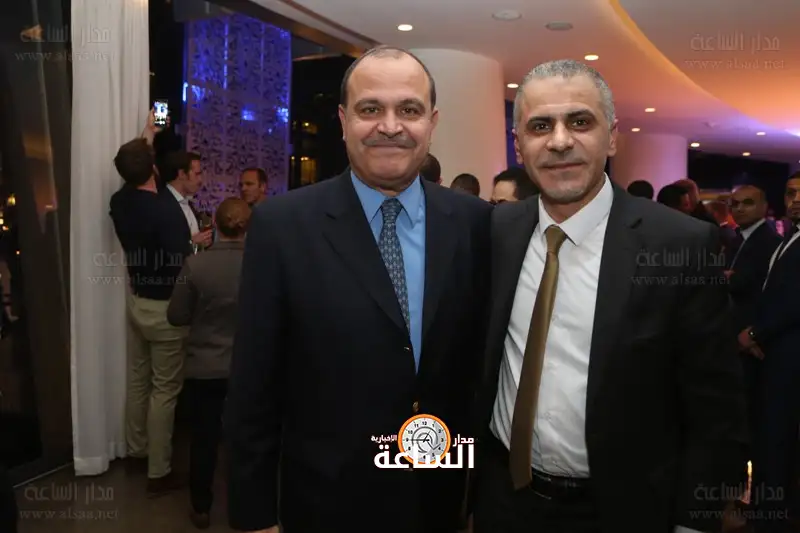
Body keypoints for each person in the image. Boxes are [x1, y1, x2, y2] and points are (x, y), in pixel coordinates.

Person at [225, 45, 492, 533]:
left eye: (408, 110)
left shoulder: (474, 222)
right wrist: (254, 515)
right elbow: (253, 382)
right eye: (371, 109)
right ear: (344, 121)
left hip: (438, 496)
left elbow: (478, 372)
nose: (390, 126)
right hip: (325, 500)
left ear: (432, 122)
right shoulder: (284, 226)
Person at [473, 59, 746, 533]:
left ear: (612, 137)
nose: (560, 141)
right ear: (519, 146)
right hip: (504, 501)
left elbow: (715, 405)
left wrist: (694, 521)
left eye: (580, 121)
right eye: (540, 126)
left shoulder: (678, 244)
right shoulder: (498, 230)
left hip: (624, 508)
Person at [109, 136, 192, 495]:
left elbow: (135, 177)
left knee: (138, 380)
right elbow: (181, 261)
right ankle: (159, 472)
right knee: (165, 391)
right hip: (165, 308)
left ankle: (136, 452)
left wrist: (146, 140)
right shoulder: (165, 211)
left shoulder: (119, 202)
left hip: (137, 301)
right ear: (154, 169)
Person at [167, 197, 251, 529]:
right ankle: (246, 505)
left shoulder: (195, 265)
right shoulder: (262, 265)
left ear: (214, 225)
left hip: (204, 367)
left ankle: (201, 506)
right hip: (247, 368)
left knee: (203, 438)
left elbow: (176, 315)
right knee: (246, 439)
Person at [738, 173, 800, 532]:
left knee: (778, 439)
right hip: (773, 353)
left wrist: (755, 332)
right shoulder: (788, 236)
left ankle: (770, 518)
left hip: (788, 355)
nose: (796, 200)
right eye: (791, 193)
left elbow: (794, 302)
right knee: (768, 437)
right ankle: (764, 512)